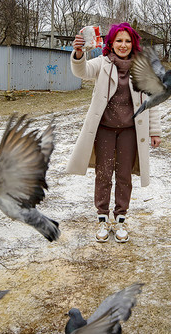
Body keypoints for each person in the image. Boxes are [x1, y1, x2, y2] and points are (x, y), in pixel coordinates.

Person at [66, 23, 161, 243]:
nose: (123, 45)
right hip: (104, 131)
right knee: (103, 174)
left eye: (127, 41)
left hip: (130, 132)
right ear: (111, 43)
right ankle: (102, 219)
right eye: (119, 40)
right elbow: (81, 71)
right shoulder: (103, 63)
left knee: (124, 176)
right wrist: (78, 53)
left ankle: (120, 219)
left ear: (133, 44)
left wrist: (155, 131)